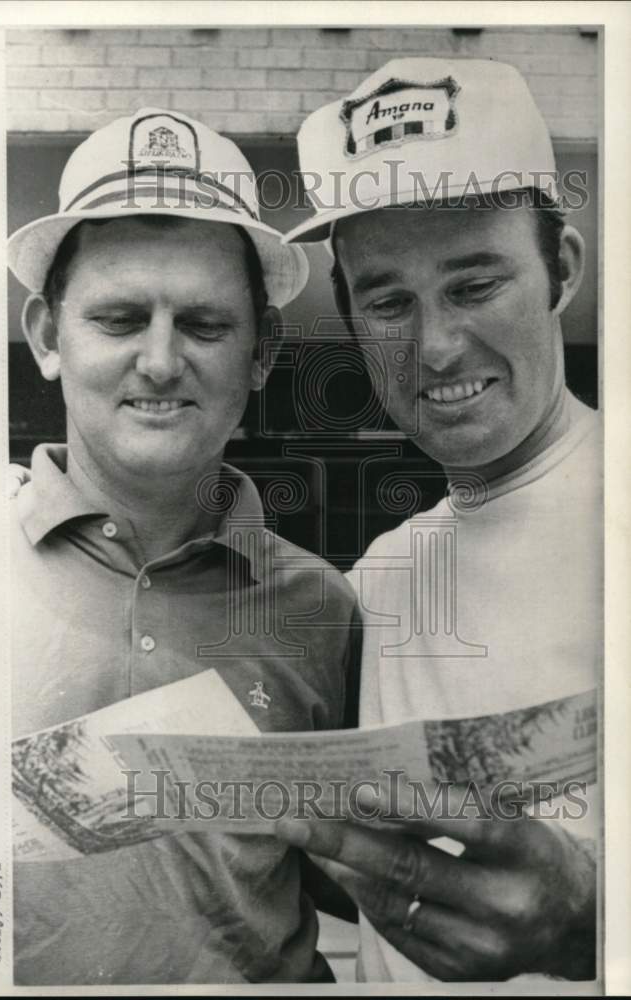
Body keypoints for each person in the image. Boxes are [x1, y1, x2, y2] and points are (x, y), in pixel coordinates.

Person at [6, 108, 361, 985]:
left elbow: (367, 875)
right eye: (120, 319)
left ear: (261, 352)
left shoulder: (326, 613)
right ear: (48, 337)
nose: (161, 362)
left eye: (203, 324)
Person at [274, 58, 600, 983]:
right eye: (388, 302)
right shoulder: (383, 574)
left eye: (474, 285)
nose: (436, 346)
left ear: (560, 269)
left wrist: (593, 921)